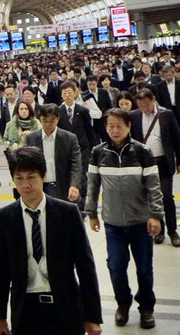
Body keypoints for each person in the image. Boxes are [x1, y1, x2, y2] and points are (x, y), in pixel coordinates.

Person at [0, 147, 102, 335]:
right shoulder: (5, 217)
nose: (25, 185)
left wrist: (92, 317)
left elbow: (85, 266)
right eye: (19, 178)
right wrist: (0, 317)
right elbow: (1, 270)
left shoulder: (67, 213)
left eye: (31, 177)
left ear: (43, 176)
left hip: (64, 306)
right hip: (26, 310)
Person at [86, 108, 164, 329]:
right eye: (110, 125)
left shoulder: (142, 151)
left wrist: (156, 215)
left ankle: (146, 308)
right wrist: (91, 213)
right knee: (116, 266)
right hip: (113, 224)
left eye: (119, 125)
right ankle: (123, 303)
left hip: (141, 222)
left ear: (129, 126)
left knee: (144, 269)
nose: (115, 130)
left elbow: (153, 186)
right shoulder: (98, 152)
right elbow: (92, 185)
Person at [130, 87, 180, 247]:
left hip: (164, 162)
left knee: (166, 197)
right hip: (145, 164)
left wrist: (179, 160)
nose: (144, 108)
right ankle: (159, 231)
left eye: (146, 104)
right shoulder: (135, 116)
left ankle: (173, 231)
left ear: (154, 100)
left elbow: (176, 138)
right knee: (151, 198)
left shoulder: (166, 115)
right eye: (140, 105)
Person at [23, 104, 83, 203]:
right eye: (44, 121)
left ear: (58, 119)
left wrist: (74, 185)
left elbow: (76, 164)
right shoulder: (31, 138)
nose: (48, 124)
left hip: (63, 186)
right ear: (39, 119)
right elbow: (27, 164)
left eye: (52, 121)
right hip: (40, 186)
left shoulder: (69, 138)